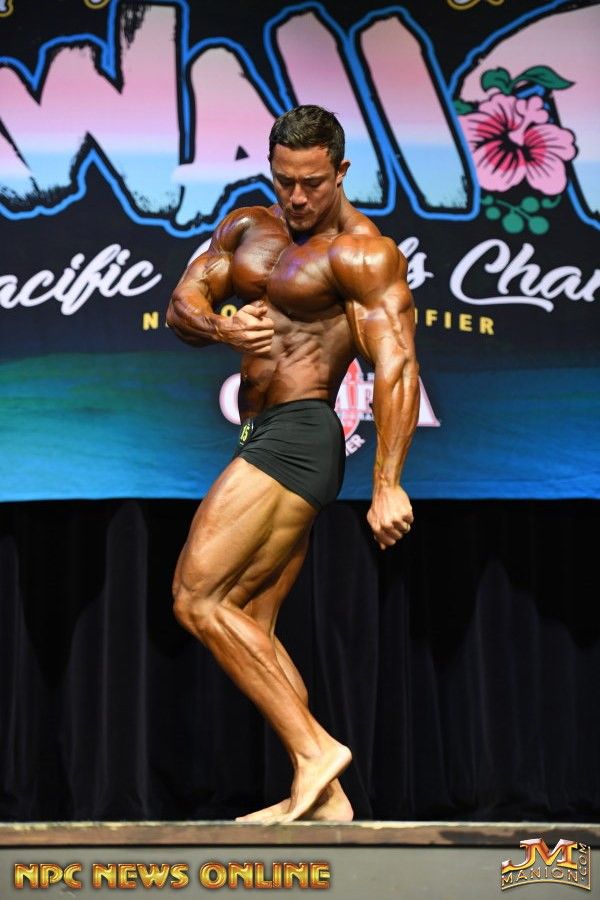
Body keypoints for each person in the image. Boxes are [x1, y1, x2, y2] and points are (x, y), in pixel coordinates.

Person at [166, 105, 419, 824]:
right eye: (285, 181)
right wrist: (222, 327)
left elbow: (397, 365)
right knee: (250, 621)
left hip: (302, 433)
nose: (298, 197)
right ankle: (327, 798)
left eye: (313, 182)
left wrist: (388, 483)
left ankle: (315, 751)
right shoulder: (249, 226)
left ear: (341, 171)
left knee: (196, 598)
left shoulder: (363, 254)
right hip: (262, 432)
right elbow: (182, 304)